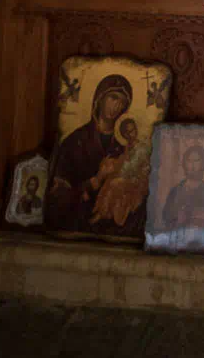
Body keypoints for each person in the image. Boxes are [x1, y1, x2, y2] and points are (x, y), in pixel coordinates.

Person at [46, 73, 139, 236]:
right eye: (113, 97)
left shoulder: (122, 145)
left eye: (123, 103)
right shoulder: (74, 142)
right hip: (76, 224)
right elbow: (58, 198)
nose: (117, 106)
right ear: (99, 98)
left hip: (113, 227)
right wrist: (96, 180)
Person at [90, 117, 152, 229]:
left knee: (115, 182)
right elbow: (124, 165)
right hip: (129, 175)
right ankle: (102, 212)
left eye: (132, 130)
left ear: (136, 130)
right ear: (123, 134)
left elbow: (132, 167)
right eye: (127, 132)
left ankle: (104, 214)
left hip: (139, 179)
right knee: (110, 180)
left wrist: (120, 167)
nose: (130, 135)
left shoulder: (142, 147)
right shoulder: (126, 147)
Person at [160, 144, 204, 231]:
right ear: (185, 164)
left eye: (196, 161)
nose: (192, 165)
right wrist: (177, 216)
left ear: (203, 164)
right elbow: (165, 218)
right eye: (189, 161)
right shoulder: (175, 191)